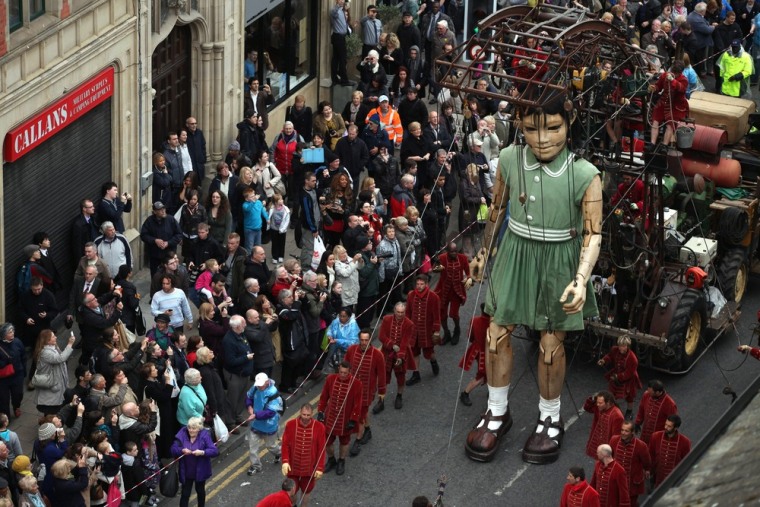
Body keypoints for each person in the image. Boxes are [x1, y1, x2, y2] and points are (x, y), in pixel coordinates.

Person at [465, 92, 602, 464]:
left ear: (569, 125)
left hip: (560, 259)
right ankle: (496, 411)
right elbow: (496, 209)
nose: (543, 139)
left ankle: (550, 417)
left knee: (550, 345)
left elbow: (593, 234)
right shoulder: (509, 159)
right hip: (516, 251)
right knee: (495, 335)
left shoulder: (585, 174)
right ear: (519, 128)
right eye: (531, 130)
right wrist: (482, 253)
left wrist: (581, 278)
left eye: (553, 128)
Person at [344, 329, 386, 456]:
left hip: (367, 392)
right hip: (352, 390)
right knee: (362, 413)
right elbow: (345, 367)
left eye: (366, 340)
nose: (363, 343)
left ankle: (357, 441)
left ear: (370, 340)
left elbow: (382, 375)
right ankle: (368, 430)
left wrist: (382, 392)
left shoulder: (378, 355)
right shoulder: (351, 350)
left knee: (359, 416)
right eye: (361, 340)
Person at [316, 361, 362, 476]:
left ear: (349, 372)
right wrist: (321, 411)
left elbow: (358, 404)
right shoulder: (330, 379)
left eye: (345, 373)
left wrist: (353, 419)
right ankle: (331, 459)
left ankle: (342, 460)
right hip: (330, 417)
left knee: (344, 442)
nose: (342, 375)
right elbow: (324, 397)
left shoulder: (356, 384)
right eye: (340, 372)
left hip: (345, 420)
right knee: (327, 442)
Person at [281, 404, 325, 507]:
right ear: (300, 413)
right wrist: (285, 461)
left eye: (308, 415)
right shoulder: (290, 424)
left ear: (312, 414)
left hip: (309, 468)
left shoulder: (320, 427)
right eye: (304, 414)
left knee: (306, 491)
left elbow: (321, 450)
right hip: (293, 466)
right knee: (290, 491)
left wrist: (319, 468)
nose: (305, 417)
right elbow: (285, 445)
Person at [171, 416, 219, 507]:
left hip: (200, 471)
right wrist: (182, 450)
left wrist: (202, 452)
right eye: (189, 427)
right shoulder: (182, 434)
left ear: (199, 429)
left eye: (194, 428)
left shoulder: (204, 435)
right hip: (186, 472)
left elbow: (215, 451)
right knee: (185, 494)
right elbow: (173, 449)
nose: (191, 430)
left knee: (200, 491)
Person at [405, 275, 441, 386]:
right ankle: (416, 374)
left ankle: (434, 362)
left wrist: (436, 331)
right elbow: (408, 313)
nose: (419, 286)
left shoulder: (434, 297)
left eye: (422, 284)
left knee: (429, 353)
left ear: (426, 284)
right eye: (418, 284)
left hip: (427, 332)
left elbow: (436, 316)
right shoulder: (411, 295)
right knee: (415, 352)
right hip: (414, 331)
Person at [434, 242, 472, 346]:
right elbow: (435, 270)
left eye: (456, 251)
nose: (454, 253)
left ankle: (457, 330)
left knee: (454, 314)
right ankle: (446, 333)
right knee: (442, 315)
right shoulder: (442, 257)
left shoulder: (462, 258)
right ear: (447, 252)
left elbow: (468, 272)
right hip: (443, 291)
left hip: (456, 291)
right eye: (452, 252)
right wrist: (437, 264)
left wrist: (469, 279)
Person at [245, 373, 282, 475]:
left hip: (268, 425)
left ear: (267, 382)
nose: (259, 386)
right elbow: (249, 396)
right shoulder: (256, 387)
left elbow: (270, 412)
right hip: (255, 423)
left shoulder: (273, 393)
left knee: (271, 446)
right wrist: (249, 407)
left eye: (261, 384)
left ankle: (280, 453)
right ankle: (256, 466)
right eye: (258, 384)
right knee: (253, 448)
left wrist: (256, 415)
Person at [597, 335, 641, 420]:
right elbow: (609, 356)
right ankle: (612, 410)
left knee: (629, 396)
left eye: (623, 346)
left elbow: (629, 373)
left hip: (629, 379)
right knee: (611, 393)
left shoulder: (633, 358)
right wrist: (604, 360)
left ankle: (629, 411)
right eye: (620, 345)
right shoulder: (615, 349)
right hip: (616, 375)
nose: (621, 348)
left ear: (627, 346)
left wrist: (618, 376)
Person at [33, 330, 76, 415]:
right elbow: (60, 358)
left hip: (56, 381)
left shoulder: (53, 348)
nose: (56, 337)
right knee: (51, 408)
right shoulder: (46, 352)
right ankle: (48, 423)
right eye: (53, 337)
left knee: (54, 408)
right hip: (51, 383)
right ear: (47, 340)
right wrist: (70, 344)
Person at [223, 315, 255, 425]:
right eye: (243, 324)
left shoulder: (241, 335)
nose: (245, 325)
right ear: (236, 326)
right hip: (235, 375)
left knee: (242, 397)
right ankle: (230, 421)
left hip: (244, 373)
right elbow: (230, 361)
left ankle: (238, 416)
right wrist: (246, 358)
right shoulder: (228, 341)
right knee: (232, 399)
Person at [609, 421, 651, 506]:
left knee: (631, 503)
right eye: (622, 430)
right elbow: (610, 456)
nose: (623, 433)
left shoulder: (641, 446)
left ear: (632, 432)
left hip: (632, 483)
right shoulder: (614, 440)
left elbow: (647, 461)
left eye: (626, 431)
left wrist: (647, 470)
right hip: (617, 480)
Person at [648, 60, 689, 145]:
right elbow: (658, 86)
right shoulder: (664, 75)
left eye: (676, 72)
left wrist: (673, 81)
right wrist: (654, 88)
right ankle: (652, 143)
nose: (674, 73)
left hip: (676, 106)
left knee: (670, 125)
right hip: (663, 102)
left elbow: (681, 89)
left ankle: (664, 145)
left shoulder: (684, 80)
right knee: (655, 121)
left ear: (680, 72)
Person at [648, 414, 692, 487]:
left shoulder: (685, 442)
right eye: (666, 424)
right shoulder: (655, 436)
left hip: (674, 482)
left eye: (669, 426)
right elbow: (651, 456)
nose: (665, 427)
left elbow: (686, 462)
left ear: (676, 428)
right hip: (657, 479)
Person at [140, 202, 183, 275]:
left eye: (163, 208)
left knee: (170, 276)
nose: (163, 211)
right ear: (155, 212)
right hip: (155, 255)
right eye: (160, 210)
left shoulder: (171, 220)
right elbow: (143, 235)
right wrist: (154, 240)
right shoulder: (149, 221)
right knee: (156, 276)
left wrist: (168, 243)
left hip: (169, 255)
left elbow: (179, 235)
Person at [459, 304, 489, 407]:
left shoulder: (474, 320)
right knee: (482, 375)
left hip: (477, 350)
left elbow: (470, 337)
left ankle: (493, 392)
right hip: (487, 353)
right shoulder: (493, 324)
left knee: (490, 373)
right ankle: (465, 393)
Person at [635, 379, 678, 444]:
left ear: (657, 392)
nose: (648, 393)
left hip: (658, 438)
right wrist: (637, 423)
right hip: (645, 434)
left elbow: (672, 423)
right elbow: (641, 410)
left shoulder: (670, 404)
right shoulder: (646, 395)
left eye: (650, 392)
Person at [584, 391, 624, 459]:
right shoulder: (600, 407)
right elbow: (587, 408)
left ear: (608, 403)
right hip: (597, 441)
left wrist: (612, 451)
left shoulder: (617, 415)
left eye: (600, 403)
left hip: (607, 445)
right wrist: (592, 399)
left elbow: (616, 437)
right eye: (597, 402)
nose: (597, 404)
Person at [0, 324, 26, 420]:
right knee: (3, 399)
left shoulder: (17, 342)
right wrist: (6, 361)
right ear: (3, 335)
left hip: (17, 375)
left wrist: (24, 371)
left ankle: (16, 406)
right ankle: (6, 418)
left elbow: (23, 356)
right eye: (10, 332)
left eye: (13, 331)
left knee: (18, 394)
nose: (12, 333)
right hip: (3, 378)